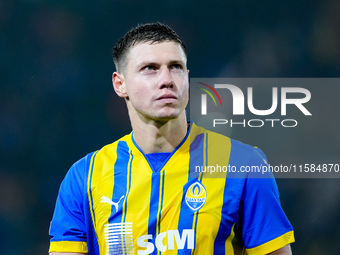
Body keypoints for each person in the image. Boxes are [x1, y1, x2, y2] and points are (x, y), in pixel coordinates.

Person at [49, 22, 294, 255]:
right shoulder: (84, 179)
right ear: (120, 84)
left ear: (187, 77)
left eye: (175, 67)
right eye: (150, 69)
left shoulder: (242, 164)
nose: (166, 80)